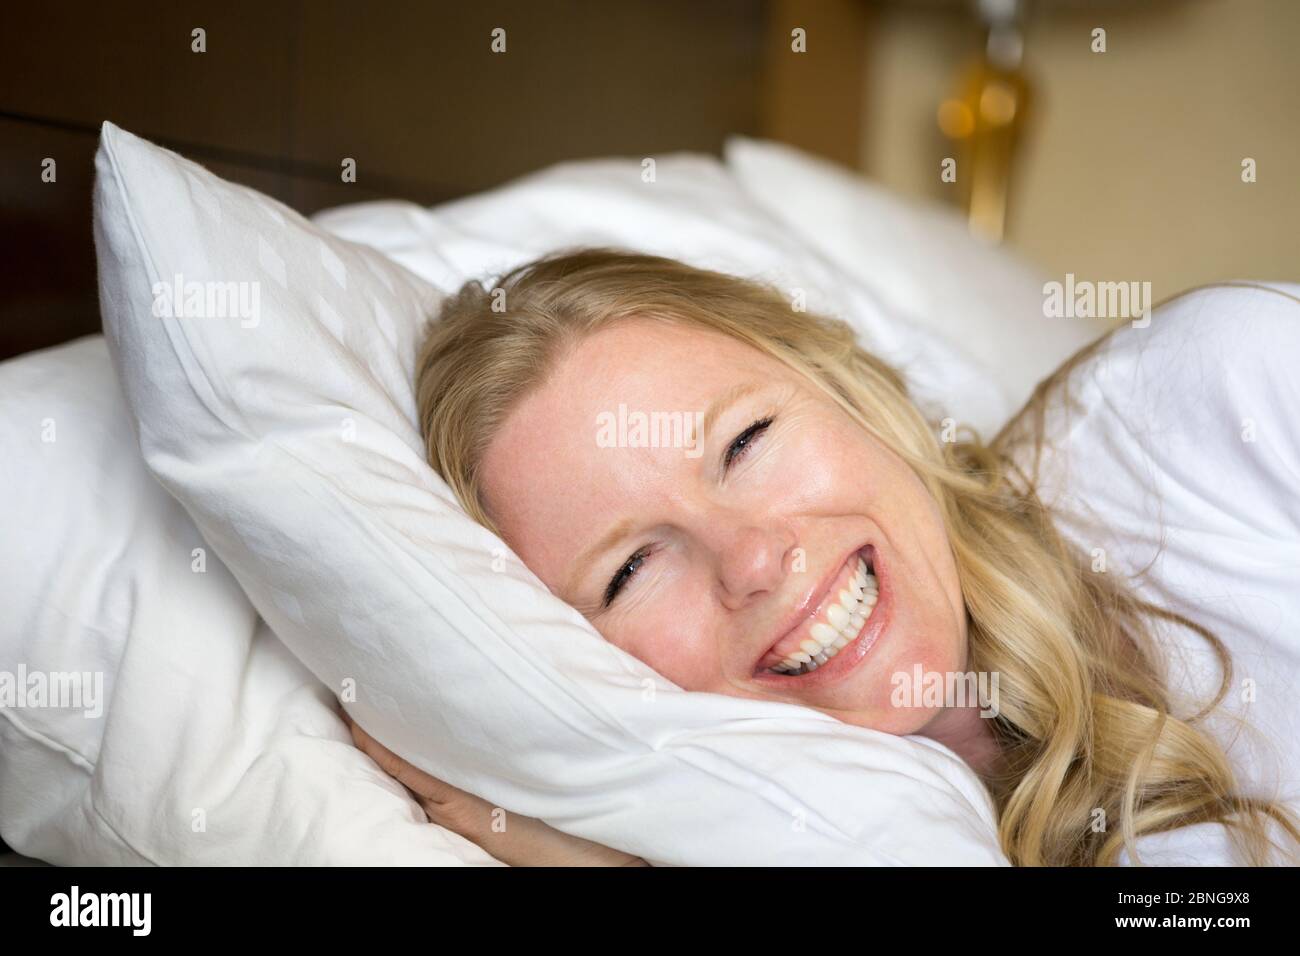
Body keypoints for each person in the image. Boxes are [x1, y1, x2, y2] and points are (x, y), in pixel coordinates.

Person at [347, 248, 1300, 866]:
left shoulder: (1218, 404)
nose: (753, 558)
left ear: (848, 386)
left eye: (746, 441)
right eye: (630, 570)